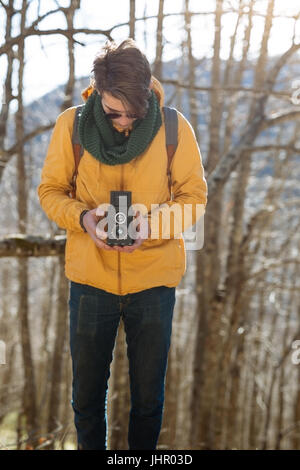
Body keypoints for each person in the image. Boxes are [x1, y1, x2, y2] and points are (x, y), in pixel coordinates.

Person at [38, 38, 207, 450]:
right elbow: (51, 191)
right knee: (87, 400)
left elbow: (194, 199)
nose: (125, 122)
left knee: (149, 401)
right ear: (96, 92)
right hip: (89, 282)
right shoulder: (71, 126)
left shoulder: (172, 127)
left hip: (154, 284)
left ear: (148, 91)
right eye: (115, 112)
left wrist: (151, 225)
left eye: (135, 112)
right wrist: (83, 218)